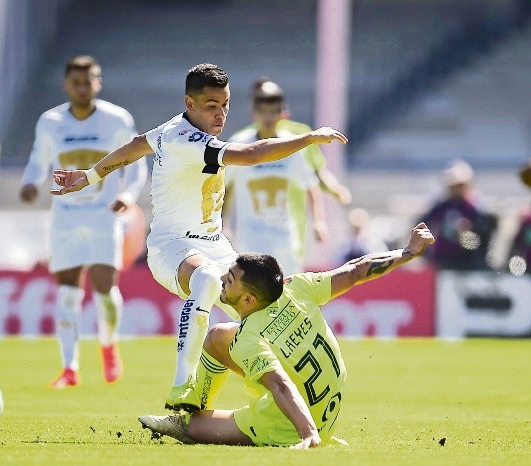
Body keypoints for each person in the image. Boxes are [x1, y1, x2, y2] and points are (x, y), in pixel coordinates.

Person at [51, 63, 347, 411]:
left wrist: (90, 175)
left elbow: (136, 145)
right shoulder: (183, 139)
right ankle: (182, 386)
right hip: (172, 247)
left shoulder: (170, 130)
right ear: (189, 103)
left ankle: (278, 388)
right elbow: (252, 154)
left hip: (216, 246)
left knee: (270, 305)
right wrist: (309, 139)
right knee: (207, 279)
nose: (220, 113)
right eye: (211, 106)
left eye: (225, 105)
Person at [138, 222, 436, 448]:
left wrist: (309, 434)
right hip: (327, 404)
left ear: (249, 299)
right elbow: (357, 270)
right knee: (217, 337)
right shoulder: (297, 287)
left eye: (230, 279)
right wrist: (407, 253)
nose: (222, 280)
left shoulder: (249, 338)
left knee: (194, 429)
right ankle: (195, 402)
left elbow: (280, 385)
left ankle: (191, 419)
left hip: (289, 425)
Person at [20, 55, 148, 387]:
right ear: (66, 85)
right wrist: (30, 182)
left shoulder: (116, 119)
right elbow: (38, 160)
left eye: (87, 82)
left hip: (103, 216)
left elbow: (137, 163)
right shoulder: (50, 121)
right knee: (67, 294)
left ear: (97, 83)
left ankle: (108, 346)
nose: (81, 88)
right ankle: (69, 367)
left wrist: (128, 195)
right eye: (76, 82)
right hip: (65, 217)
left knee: (105, 290)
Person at [225, 80, 328, 272]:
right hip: (250, 235)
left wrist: (319, 221)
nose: (268, 118)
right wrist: (223, 224)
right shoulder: (241, 145)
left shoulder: (290, 146)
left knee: (288, 284)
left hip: (283, 235)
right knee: (252, 285)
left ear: (282, 115)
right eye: (263, 112)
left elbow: (310, 186)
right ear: (254, 113)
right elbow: (226, 186)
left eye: (273, 112)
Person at [419, 159, 497, 270]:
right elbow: (422, 227)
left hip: (467, 264)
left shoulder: (476, 208)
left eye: (460, 185)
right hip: (441, 262)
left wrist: (467, 231)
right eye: (453, 186)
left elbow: (483, 238)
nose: (456, 189)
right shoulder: (441, 207)